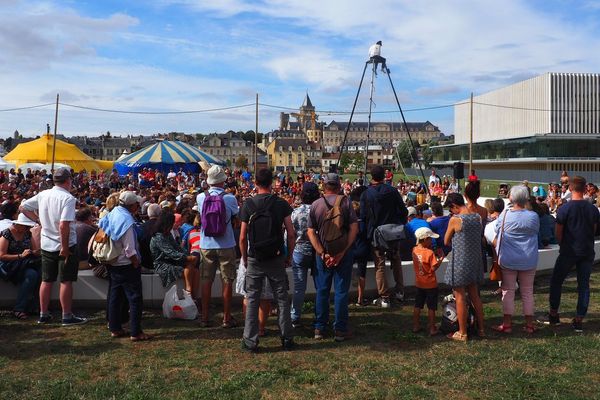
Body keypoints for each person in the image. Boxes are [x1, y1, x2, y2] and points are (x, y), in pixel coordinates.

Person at [20, 168, 88, 326]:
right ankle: (67, 315)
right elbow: (64, 225)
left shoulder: (44, 194)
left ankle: (44, 314)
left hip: (47, 243)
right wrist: (64, 247)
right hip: (65, 244)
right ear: (68, 181)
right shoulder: (68, 198)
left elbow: (23, 207)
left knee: (47, 280)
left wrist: (38, 221)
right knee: (66, 281)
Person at [239, 168, 296, 352]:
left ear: (255, 183)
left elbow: (242, 237)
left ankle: (250, 341)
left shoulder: (248, 204)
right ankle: (287, 338)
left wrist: (245, 258)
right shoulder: (281, 204)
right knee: (281, 299)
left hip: (255, 256)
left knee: (253, 298)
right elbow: (291, 233)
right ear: (271, 183)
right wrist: (288, 255)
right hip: (276, 255)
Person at [541, 176, 599, 332]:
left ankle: (554, 314)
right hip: (587, 250)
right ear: (585, 188)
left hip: (569, 250)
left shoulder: (565, 208)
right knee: (584, 285)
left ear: (570, 188)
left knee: (556, 281)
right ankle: (579, 319)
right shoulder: (592, 209)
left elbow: (558, 232)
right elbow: (593, 230)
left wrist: (563, 245)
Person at [308, 173, 359, 342]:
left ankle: (319, 328)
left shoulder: (316, 205)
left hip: (323, 254)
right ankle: (340, 329)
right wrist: (343, 251)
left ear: (324, 185)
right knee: (341, 292)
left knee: (322, 291)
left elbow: (311, 232)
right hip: (342, 253)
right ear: (338, 186)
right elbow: (354, 229)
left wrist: (322, 253)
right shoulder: (345, 202)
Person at [99, 191, 151, 341]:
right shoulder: (126, 219)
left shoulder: (113, 212)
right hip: (126, 263)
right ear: (132, 205)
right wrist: (136, 262)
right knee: (134, 299)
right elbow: (129, 248)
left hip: (113, 261)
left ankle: (115, 328)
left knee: (115, 297)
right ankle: (136, 332)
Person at [492, 186, 540, 334]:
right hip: (528, 259)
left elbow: (497, 230)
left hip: (508, 259)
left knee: (508, 291)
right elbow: (536, 231)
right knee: (527, 292)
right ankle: (529, 324)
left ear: (511, 198)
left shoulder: (505, 215)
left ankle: (507, 324)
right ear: (526, 198)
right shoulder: (533, 216)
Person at [196, 165, 239, 328]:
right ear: (223, 180)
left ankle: (205, 317)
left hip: (206, 243)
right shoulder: (229, 199)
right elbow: (235, 218)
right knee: (227, 281)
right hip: (226, 243)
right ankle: (227, 318)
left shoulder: (200, 197)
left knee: (206, 281)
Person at [360, 166, 408, 308]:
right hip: (393, 232)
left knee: (379, 265)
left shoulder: (366, 194)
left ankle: (385, 297)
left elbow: (363, 217)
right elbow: (403, 211)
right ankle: (400, 292)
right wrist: (398, 224)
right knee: (396, 260)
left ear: (371, 176)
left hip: (376, 234)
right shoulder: (392, 191)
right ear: (384, 176)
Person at [443, 193, 485, 341]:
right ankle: (481, 329)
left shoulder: (456, 220)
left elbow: (446, 241)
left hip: (461, 261)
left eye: (451, 208)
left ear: (454, 206)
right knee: (475, 296)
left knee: (459, 297)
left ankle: (463, 332)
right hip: (475, 260)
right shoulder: (477, 217)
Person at [290, 182, 320, 327]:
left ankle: (295, 316)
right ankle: (320, 315)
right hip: (317, 251)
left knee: (299, 288)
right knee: (320, 287)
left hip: (299, 250)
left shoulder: (296, 212)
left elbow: (289, 234)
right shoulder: (320, 210)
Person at [0, 213, 41, 319]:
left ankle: (34, 305)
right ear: (18, 224)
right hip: (9, 265)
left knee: (41, 273)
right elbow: (2, 256)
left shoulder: (27, 233)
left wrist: (35, 252)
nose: (28, 228)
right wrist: (20, 256)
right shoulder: (6, 234)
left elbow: (35, 249)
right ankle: (20, 308)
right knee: (31, 275)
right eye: (26, 226)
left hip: (23, 263)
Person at [150, 210, 199, 295]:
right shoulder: (158, 236)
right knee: (189, 268)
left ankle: (192, 294)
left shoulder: (167, 234)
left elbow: (177, 248)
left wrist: (188, 255)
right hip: (162, 264)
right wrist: (188, 257)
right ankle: (189, 291)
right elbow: (170, 252)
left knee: (195, 270)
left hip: (172, 260)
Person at [412, 227, 444, 335]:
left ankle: (416, 326)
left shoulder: (414, 250)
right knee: (431, 307)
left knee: (418, 305)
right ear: (425, 239)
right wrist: (440, 259)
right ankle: (432, 328)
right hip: (430, 284)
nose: (431, 240)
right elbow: (433, 268)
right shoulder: (430, 253)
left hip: (419, 283)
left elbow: (421, 258)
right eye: (430, 238)